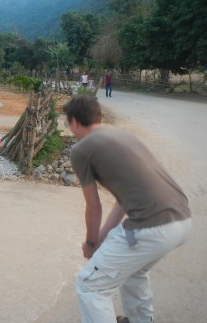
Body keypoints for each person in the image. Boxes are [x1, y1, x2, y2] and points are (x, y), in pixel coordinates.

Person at [62, 95, 192, 323]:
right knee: (135, 272)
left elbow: (94, 207)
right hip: (182, 221)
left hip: (150, 227)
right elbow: (123, 201)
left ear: (74, 121)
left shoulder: (82, 149)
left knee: (90, 285)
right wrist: (100, 239)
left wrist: (91, 243)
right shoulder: (124, 137)